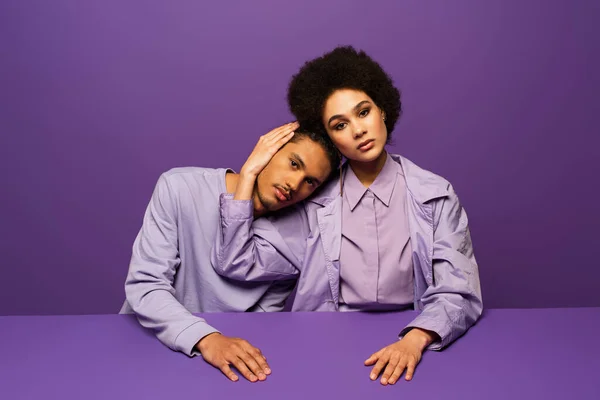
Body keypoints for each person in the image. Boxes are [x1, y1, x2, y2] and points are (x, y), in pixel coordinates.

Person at [211, 46, 483, 386]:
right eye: (340, 124)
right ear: (332, 139)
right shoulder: (313, 203)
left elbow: (459, 290)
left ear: (382, 110)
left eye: (364, 112)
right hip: (326, 344)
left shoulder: (436, 194)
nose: (358, 130)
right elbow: (236, 261)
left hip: (416, 339)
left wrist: (414, 341)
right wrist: (249, 174)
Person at [120, 122, 339, 383]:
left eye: (310, 182)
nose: (294, 183)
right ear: (269, 150)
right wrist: (206, 338)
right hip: (145, 345)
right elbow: (145, 285)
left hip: (224, 364)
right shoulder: (179, 187)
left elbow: (263, 319)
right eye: (294, 163)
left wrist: (222, 349)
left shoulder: (294, 241)